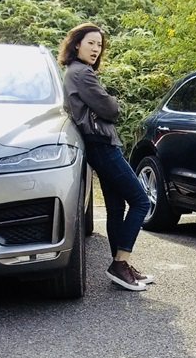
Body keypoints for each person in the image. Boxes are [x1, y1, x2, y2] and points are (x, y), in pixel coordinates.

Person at [59, 22, 155, 291]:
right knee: (140, 200)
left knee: (116, 207)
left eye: (99, 45)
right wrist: (113, 102)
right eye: (90, 43)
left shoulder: (75, 72)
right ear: (77, 44)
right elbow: (111, 109)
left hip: (97, 144)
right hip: (102, 145)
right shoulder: (82, 74)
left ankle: (120, 265)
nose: (95, 49)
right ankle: (119, 263)